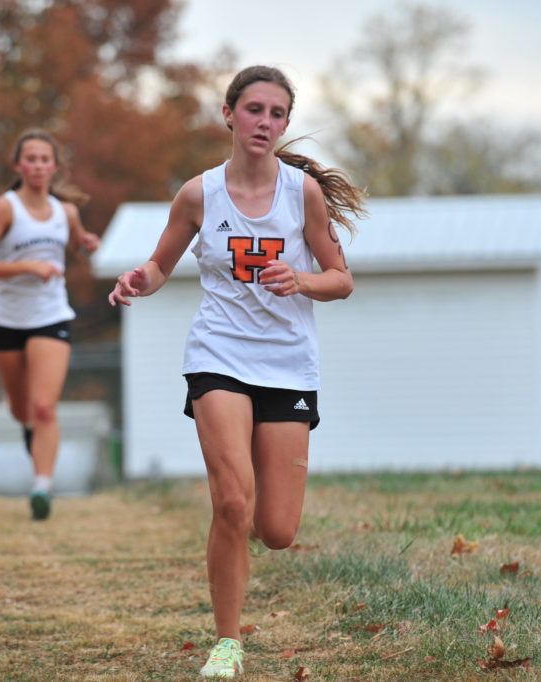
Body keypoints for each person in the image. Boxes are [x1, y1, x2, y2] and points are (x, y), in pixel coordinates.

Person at [108, 65, 365, 679]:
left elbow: (341, 280)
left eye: (277, 114)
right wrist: (139, 279)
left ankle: (244, 535)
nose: (265, 122)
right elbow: (160, 265)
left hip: (287, 365)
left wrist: (300, 279)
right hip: (218, 355)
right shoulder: (198, 195)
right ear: (228, 114)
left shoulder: (302, 193)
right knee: (230, 503)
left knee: (276, 529)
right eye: (254, 109)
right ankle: (227, 643)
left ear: (286, 123)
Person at [0, 130, 99, 521]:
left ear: (54, 166)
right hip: (6, 319)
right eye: (31, 159)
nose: (38, 166)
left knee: (44, 407)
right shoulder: (3, 209)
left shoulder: (66, 212)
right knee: (21, 408)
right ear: (18, 165)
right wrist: (27, 266)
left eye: (45, 159)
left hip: (51, 315)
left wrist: (86, 243)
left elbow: (75, 240)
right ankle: (29, 432)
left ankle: (42, 488)